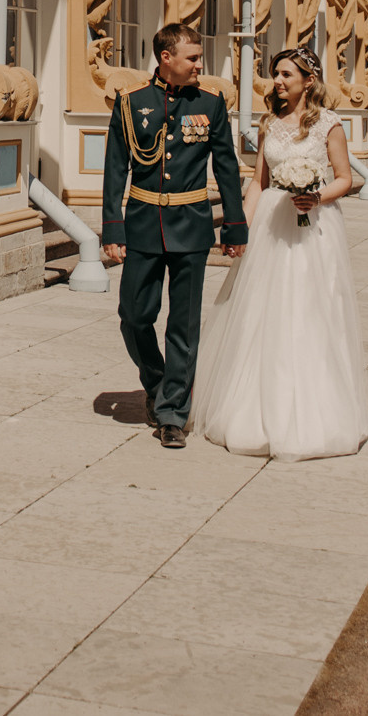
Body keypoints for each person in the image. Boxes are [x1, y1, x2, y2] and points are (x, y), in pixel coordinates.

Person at [191, 46, 368, 460]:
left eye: (287, 74)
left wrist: (317, 197)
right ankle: (251, 411)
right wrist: (240, 228)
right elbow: (259, 182)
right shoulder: (268, 123)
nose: (278, 81)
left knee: (311, 312)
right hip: (272, 226)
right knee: (260, 312)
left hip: (314, 229)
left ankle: (317, 414)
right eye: (276, 73)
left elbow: (346, 178)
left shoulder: (330, 124)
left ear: (309, 80)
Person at [101, 23, 245, 448]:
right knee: (134, 316)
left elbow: (227, 168)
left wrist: (235, 226)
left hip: (192, 225)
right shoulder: (131, 103)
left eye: (199, 57)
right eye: (193, 57)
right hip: (144, 223)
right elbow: (115, 168)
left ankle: (172, 414)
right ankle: (158, 380)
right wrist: (113, 226)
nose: (200, 64)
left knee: (183, 325)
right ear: (167, 58)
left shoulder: (212, 103)